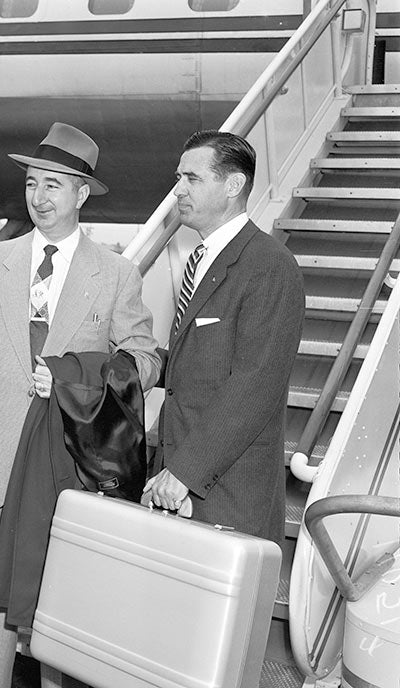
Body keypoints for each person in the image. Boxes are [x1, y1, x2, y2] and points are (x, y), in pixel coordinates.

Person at [0, 122, 161, 688]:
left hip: (66, 463)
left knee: (61, 599)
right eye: (33, 183)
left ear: (82, 194)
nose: (40, 197)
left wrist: (75, 378)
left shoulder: (116, 274)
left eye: (54, 185)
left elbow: (146, 359)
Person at [145, 130, 305, 544]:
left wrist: (185, 471)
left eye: (192, 179)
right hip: (178, 485)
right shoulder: (202, 261)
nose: (178, 189)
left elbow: (256, 383)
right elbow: (196, 367)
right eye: (178, 177)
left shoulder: (269, 266)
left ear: (233, 185)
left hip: (225, 493)